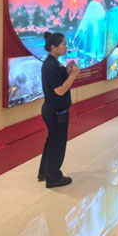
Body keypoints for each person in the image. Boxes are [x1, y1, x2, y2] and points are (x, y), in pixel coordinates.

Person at [38, 32, 79, 188]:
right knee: (57, 144)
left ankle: (45, 172)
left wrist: (67, 71)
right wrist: (73, 75)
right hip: (55, 112)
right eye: (63, 44)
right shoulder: (51, 66)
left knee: (52, 142)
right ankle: (53, 177)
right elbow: (60, 90)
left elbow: (59, 81)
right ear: (53, 47)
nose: (66, 47)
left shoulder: (54, 63)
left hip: (52, 110)